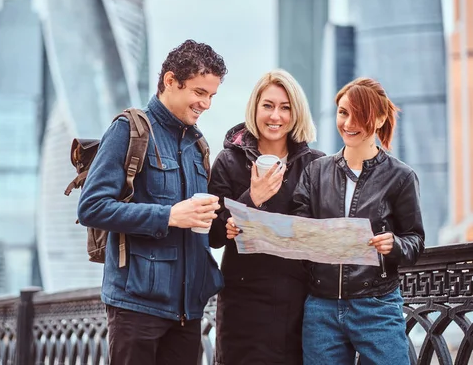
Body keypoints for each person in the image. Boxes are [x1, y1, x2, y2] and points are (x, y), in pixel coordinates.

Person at [78, 39, 227, 365]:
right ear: (171, 81)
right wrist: (169, 216)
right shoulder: (128, 130)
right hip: (136, 308)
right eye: (200, 93)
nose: (206, 104)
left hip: (188, 312)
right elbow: (91, 207)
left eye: (212, 95)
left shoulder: (198, 145)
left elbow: (199, 225)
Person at [291, 77, 425, 364]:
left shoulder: (400, 177)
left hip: (377, 307)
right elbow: (297, 230)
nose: (348, 122)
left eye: (359, 114)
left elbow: (415, 241)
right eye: (342, 112)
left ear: (378, 119)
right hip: (321, 308)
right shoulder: (316, 172)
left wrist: (394, 245)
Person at [209, 69, 324, 364]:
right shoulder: (229, 161)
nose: (276, 116)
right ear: (255, 109)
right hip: (243, 301)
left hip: (300, 301)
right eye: (268, 106)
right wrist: (252, 198)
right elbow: (213, 235)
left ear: (296, 113)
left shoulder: (317, 165)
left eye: (285, 107)